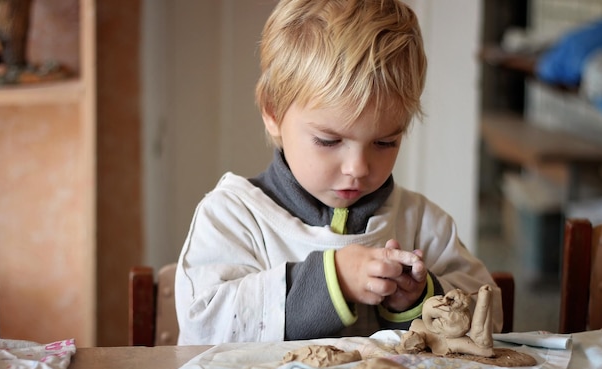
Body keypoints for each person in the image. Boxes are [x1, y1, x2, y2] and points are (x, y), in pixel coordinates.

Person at [174, 0, 503, 345]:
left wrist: (421, 299)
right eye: (329, 141)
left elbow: (490, 317)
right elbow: (204, 330)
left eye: (385, 143)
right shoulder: (233, 218)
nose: (358, 168)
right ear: (272, 112)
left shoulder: (421, 224)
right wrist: (333, 281)